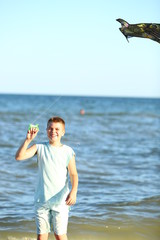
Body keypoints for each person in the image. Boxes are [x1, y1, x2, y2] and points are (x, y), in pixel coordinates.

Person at [15, 116, 78, 240]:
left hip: (61, 201)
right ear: (46, 130)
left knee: (60, 235)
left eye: (57, 129)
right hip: (41, 200)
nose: (53, 131)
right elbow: (19, 157)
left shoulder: (68, 151)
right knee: (41, 236)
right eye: (50, 128)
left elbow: (73, 174)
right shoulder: (39, 147)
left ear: (63, 132)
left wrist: (74, 191)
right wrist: (28, 140)